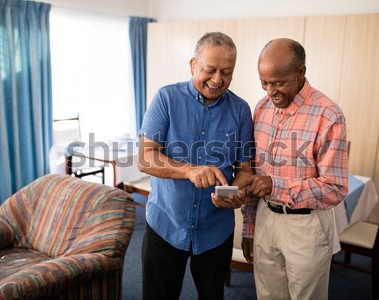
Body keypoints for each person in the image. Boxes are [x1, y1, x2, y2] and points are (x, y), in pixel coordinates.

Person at [137, 32, 254, 300]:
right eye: (210, 70)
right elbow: (145, 158)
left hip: (215, 231)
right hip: (165, 225)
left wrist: (235, 192)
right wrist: (189, 170)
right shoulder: (166, 98)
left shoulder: (241, 110)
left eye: (226, 72)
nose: (217, 80)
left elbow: (245, 169)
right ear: (193, 65)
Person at [241, 38, 349, 300]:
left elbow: (335, 188)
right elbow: (255, 175)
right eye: (264, 83)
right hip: (266, 218)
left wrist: (276, 185)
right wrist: (249, 226)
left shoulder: (328, 114)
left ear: (301, 73)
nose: (270, 91)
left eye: (278, 83)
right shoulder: (262, 108)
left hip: (307, 226)